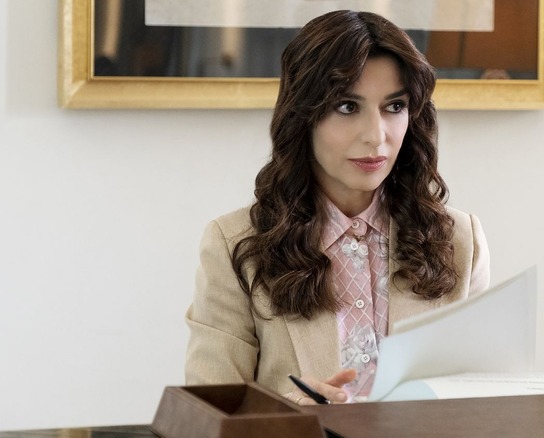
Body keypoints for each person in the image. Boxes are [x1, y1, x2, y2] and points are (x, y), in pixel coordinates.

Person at [184, 10, 490, 405]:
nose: (376, 136)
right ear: (303, 116)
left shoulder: (461, 241)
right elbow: (209, 417)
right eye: (348, 107)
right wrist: (287, 419)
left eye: (394, 106)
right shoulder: (234, 246)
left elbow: (481, 407)